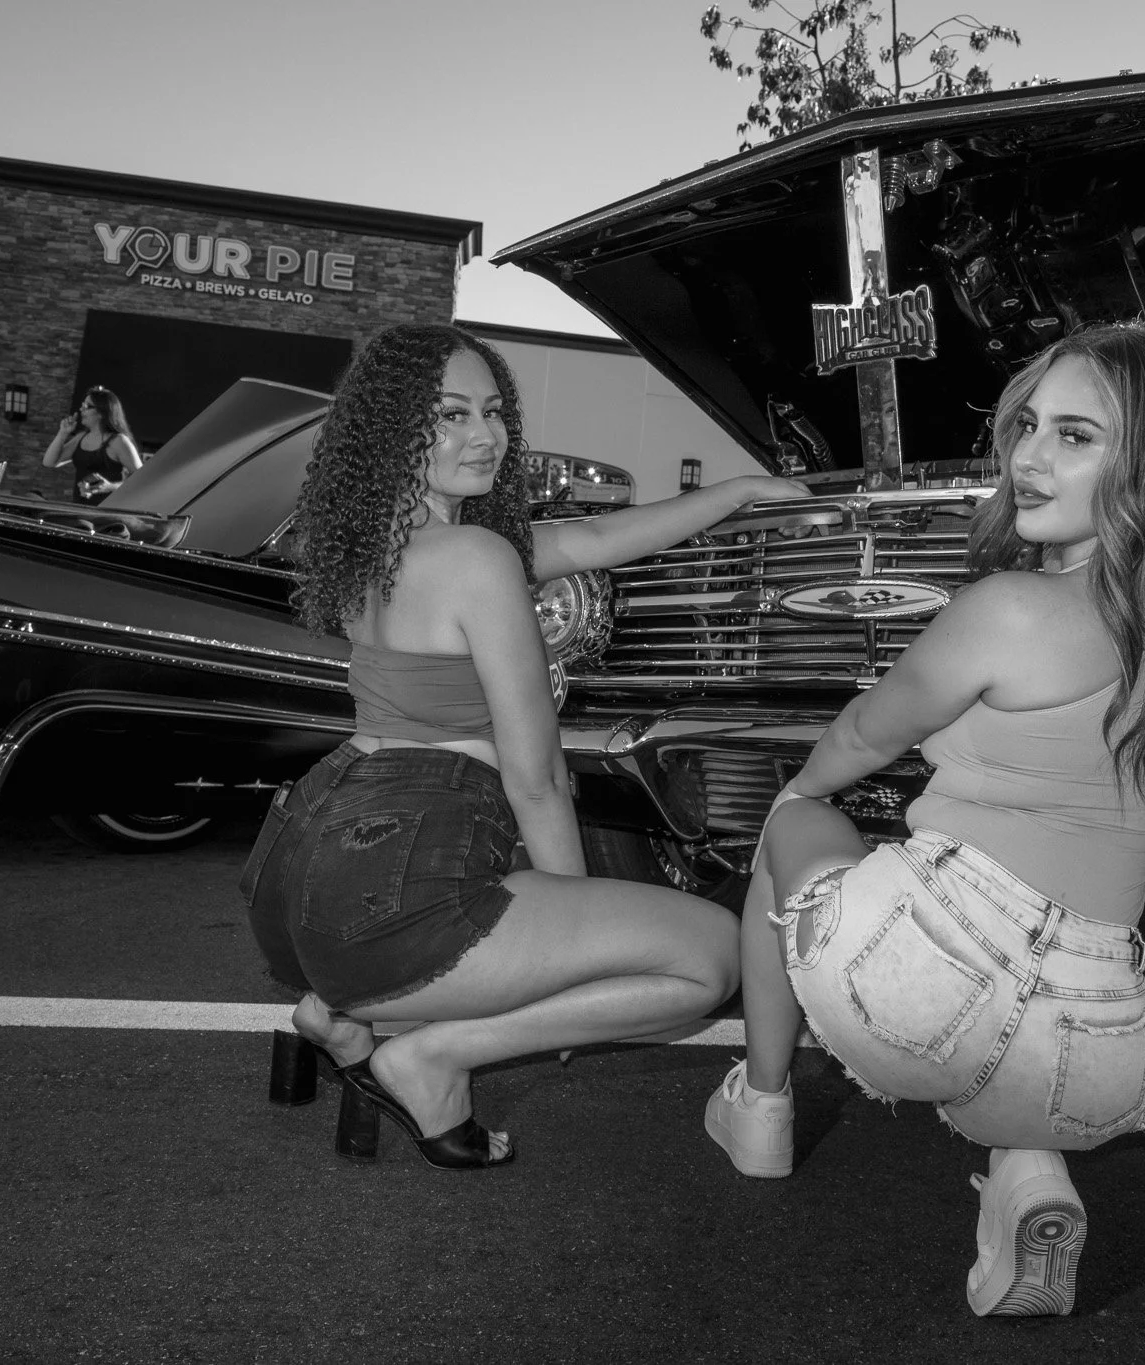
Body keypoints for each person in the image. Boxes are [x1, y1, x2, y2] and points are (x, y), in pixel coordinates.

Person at [703, 322, 1145, 1316]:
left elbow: (863, 730)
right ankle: (1030, 1177)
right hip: (1103, 1042)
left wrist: (802, 792)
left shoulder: (1011, 605)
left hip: (926, 976)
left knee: (790, 824)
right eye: (1025, 425)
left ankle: (758, 1108)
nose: (1024, 457)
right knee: (1014, 1040)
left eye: (1072, 435)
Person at [244, 322, 809, 1169]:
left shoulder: (380, 545)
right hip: (391, 887)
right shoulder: (472, 558)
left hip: (299, 872)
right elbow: (537, 775)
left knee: (493, 926)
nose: (485, 434)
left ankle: (338, 1016)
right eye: (448, 415)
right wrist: (571, 949)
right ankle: (429, 1057)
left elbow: (589, 542)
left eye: (494, 410)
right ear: (394, 429)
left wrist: (734, 492)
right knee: (711, 960)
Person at [41, 386, 141, 503]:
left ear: (102, 412)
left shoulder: (119, 441)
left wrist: (109, 487)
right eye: (82, 405)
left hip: (109, 513)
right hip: (81, 510)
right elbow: (49, 462)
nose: (81, 409)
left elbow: (142, 479)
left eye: (87, 406)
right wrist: (63, 433)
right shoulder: (81, 437)